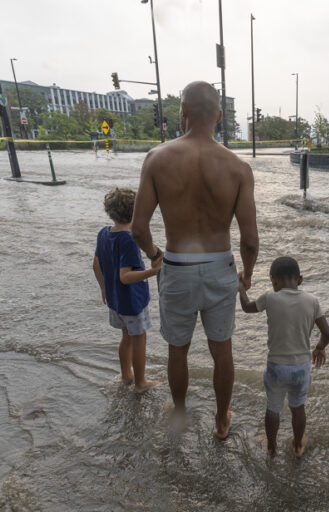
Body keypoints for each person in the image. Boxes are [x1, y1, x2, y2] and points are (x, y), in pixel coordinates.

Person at [131, 81, 259, 439]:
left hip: (177, 266)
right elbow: (250, 239)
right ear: (219, 116)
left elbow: (138, 229)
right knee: (222, 351)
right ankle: (221, 421)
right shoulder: (237, 168)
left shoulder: (157, 159)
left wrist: (157, 257)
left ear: (182, 112)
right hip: (220, 268)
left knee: (178, 349)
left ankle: (181, 413)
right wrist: (246, 275)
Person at [238, 256, 329, 457]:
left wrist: (240, 287)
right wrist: (319, 348)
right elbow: (327, 333)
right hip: (301, 367)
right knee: (298, 407)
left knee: (273, 408)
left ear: (273, 281)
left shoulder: (270, 298)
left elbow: (247, 307)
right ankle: (298, 445)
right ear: (300, 280)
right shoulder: (312, 301)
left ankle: (272, 447)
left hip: (276, 367)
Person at [92, 187, 162, 393]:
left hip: (115, 300)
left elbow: (96, 264)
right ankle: (141, 383)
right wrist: (154, 271)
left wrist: (104, 289)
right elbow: (126, 276)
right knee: (139, 338)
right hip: (132, 301)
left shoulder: (104, 233)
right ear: (137, 211)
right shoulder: (130, 239)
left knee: (126, 337)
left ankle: (126, 376)